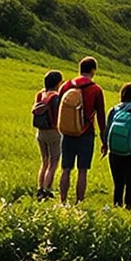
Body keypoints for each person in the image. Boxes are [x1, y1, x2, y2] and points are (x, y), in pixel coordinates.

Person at [55, 58, 107, 204]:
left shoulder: (66, 86)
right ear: (93, 70)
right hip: (86, 132)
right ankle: (79, 203)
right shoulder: (96, 89)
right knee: (82, 170)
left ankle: (62, 201)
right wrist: (104, 141)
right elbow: (101, 117)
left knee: (66, 169)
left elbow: (60, 109)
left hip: (67, 133)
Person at [31, 68, 66, 201]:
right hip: (54, 132)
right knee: (53, 162)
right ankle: (47, 190)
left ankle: (40, 188)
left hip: (40, 132)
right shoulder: (55, 97)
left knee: (44, 161)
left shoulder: (40, 94)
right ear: (58, 83)